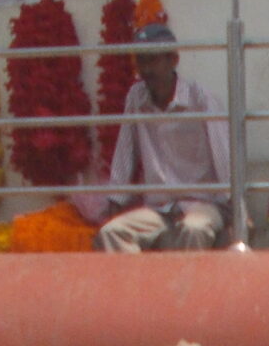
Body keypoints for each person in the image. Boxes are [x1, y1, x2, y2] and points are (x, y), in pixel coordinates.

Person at [92, 21, 230, 253]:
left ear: (173, 60)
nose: (146, 70)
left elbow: (225, 158)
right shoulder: (137, 97)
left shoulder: (202, 99)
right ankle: (137, 290)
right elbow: (125, 153)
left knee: (194, 229)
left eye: (153, 60)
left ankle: (185, 290)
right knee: (111, 233)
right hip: (160, 208)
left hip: (202, 204)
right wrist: (115, 204)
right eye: (141, 61)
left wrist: (237, 214)